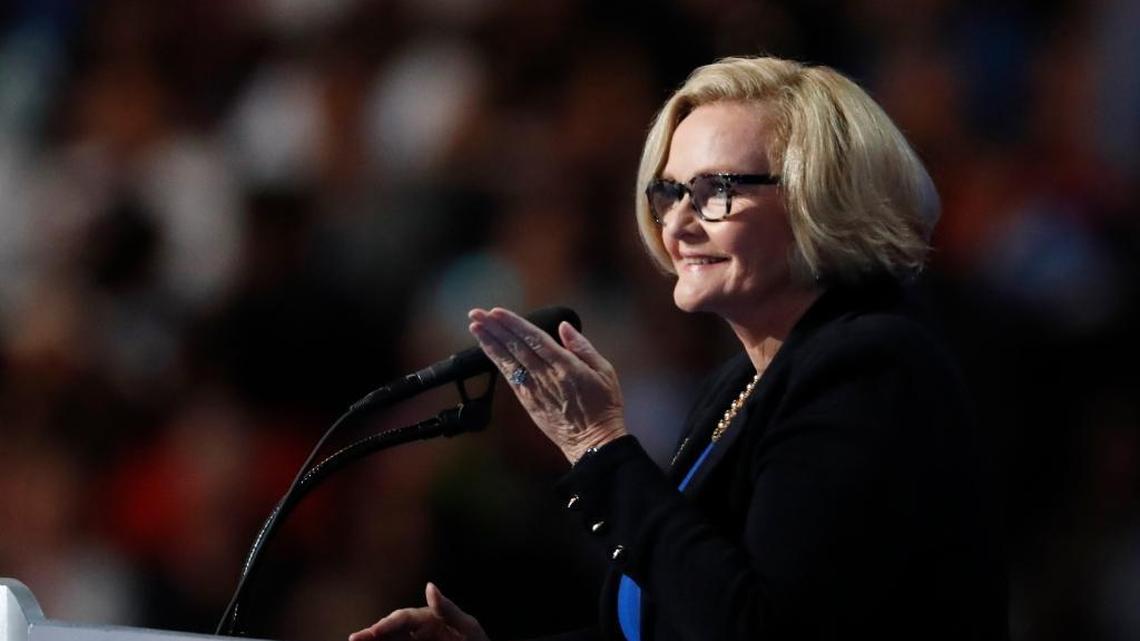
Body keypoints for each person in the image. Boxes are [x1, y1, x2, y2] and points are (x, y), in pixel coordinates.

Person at [349, 56, 1008, 641]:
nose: (678, 224)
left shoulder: (867, 368)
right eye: (669, 192)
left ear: (821, 197)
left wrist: (599, 446)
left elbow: (761, 627)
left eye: (717, 190)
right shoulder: (738, 382)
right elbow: (672, 619)